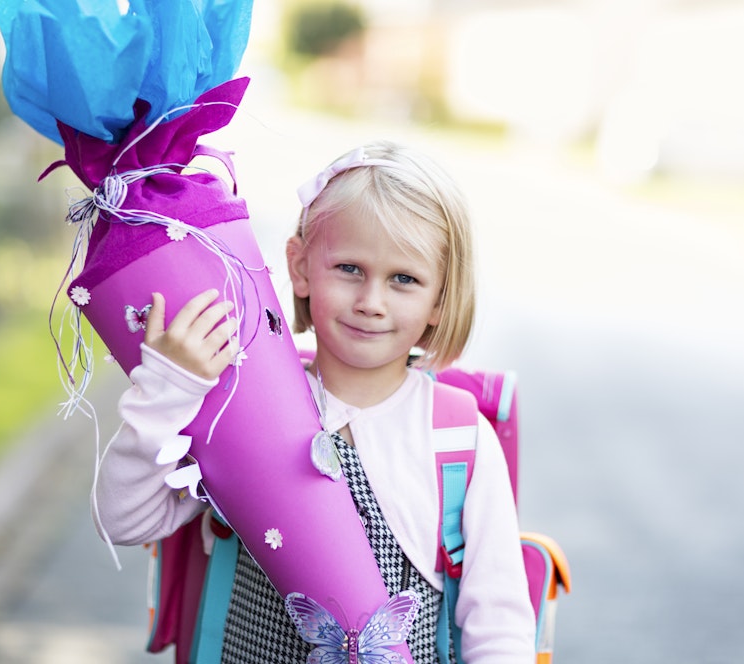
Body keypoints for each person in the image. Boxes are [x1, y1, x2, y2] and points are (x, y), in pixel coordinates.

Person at [94, 140, 535, 663]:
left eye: (404, 279)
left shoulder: (459, 441)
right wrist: (167, 394)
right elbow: (123, 521)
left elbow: (498, 626)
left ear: (441, 299)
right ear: (301, 267)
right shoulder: (242, 404)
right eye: (349, 268)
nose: (371, 302)